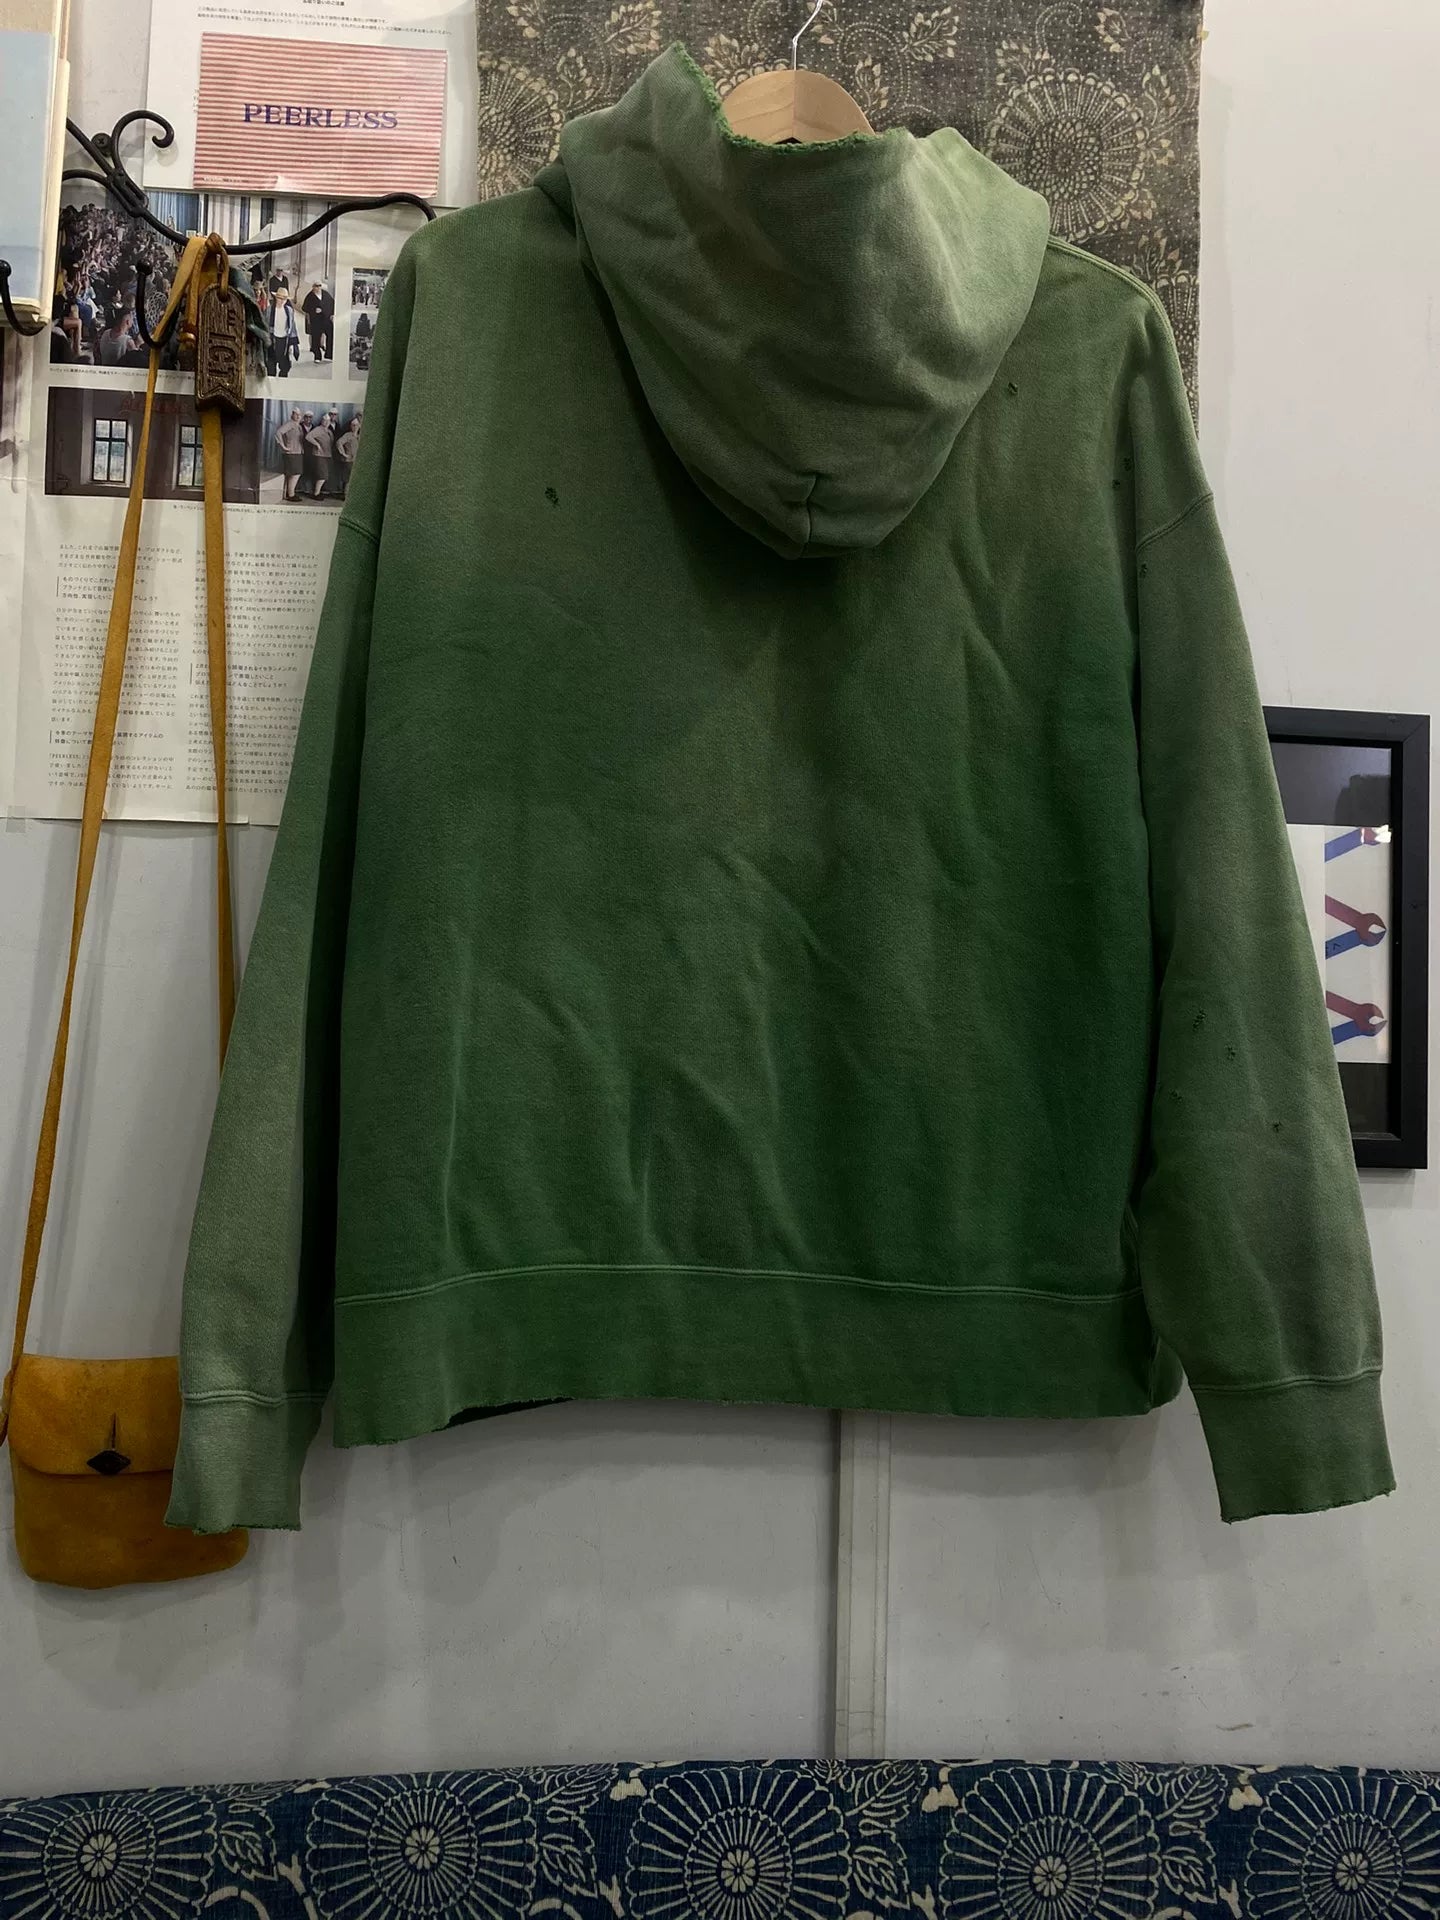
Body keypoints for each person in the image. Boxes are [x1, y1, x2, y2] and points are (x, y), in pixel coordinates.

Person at [273, 408, 305, 501]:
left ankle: (288, 493)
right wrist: (283, 446)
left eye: (299, 414)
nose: (298, 416)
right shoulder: (290, 424)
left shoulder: (298, 426)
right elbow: (278, 432)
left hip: (297, 452)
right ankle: (291, 495)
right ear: (292, 415)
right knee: (295, 474)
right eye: (296, 414)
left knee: (293, 474)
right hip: (291, 453)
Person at [306, 409, 337, 497]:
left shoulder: (329, 431)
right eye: (324, 420)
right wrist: (317, 444)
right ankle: (316, 493)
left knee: (324, 475)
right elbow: (308, 437)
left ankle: (319, 492)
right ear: (322, 421)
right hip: (320, 455)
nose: (326, 422)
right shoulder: (318, 429)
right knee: (322, 475)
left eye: (328, 421)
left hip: (327, 455)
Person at [302, 281, 334, 363]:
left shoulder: (326, 294)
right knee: (315, 338)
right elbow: (304, 308)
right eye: (316, 286)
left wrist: (330, 313)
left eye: (319, 286)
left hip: (326, 319)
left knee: (330, 335)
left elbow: (332, 304)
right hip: (316, 321)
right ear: (313, 287)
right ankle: (317, 356)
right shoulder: (310, 296)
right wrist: (313, 310)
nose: (318, 288)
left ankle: (329, 354)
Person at [334, 411, 360, 497]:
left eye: (356, 425)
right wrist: (343, 453)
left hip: (357, 460)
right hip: (349, 460)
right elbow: (339, 443)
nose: (355, 427)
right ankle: (345, 494)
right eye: (353, 425)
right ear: (350, 426)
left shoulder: (360, 436)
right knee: (348, 479)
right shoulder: (348, 435)